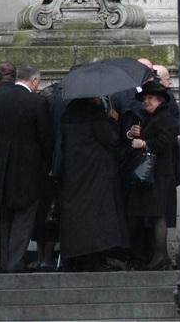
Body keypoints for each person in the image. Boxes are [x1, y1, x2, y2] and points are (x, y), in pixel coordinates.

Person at [0, 65, 52, 273]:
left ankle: (6, 261)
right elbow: (45, 138)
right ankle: (15, 262)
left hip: (1, 166)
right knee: (24, 216)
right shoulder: (37, 101)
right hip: (28, 167)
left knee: (6, 216)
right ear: (34, 82)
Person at [60, 96, 130, 271]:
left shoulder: (68, 113)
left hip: (73, 172)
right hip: (96, 171)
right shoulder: (96, 115)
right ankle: (95, 257)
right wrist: (113, 120)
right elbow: (111, 139)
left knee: (77, 214)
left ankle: (77, 258)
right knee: (97, 215)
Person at [126, 81, 179, 270]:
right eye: (144, 99)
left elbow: (165, 141)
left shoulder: (164, 118)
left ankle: (161, 256)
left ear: (159, 100)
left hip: (161, 175)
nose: (145, 102)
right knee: (155, 215)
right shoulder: (151, 118)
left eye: (150, 98)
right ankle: (158, 256)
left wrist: (145, 144)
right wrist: (132, 135)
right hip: (153, 175)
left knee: (159, 215)